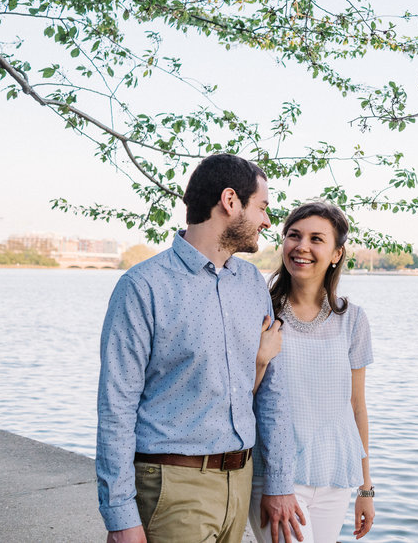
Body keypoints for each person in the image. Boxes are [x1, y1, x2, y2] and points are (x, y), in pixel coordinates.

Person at [96, 154, 307, 543]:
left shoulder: (250, 283)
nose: (267, 221)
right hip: (172, 488)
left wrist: (278, 482)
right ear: (230, 201)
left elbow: (271, 395)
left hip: (240, 485)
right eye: (262, 207)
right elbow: (116, 406)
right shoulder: (144, 286)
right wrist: (120, 516)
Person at [250, 200, 376, 543]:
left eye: (317, 239)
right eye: (294, 235)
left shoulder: (353, 319)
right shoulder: (259, 310)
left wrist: (366, 489)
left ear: (336, 253)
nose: (302, 246)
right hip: (278, 476)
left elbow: (357, 406)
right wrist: (261, 359)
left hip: (334, 476)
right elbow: (239, 399)